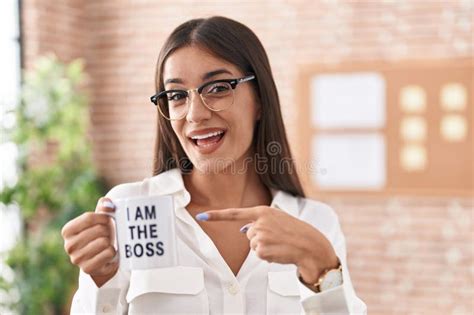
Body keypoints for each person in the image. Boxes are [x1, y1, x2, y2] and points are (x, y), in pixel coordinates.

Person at [61, 16, 367, 314]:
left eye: (218, 88)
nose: (195, 114)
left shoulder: (315, 222)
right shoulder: (129, 209)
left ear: (260, 99)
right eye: (177, 95)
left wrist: (322, 265)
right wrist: (101, 280)